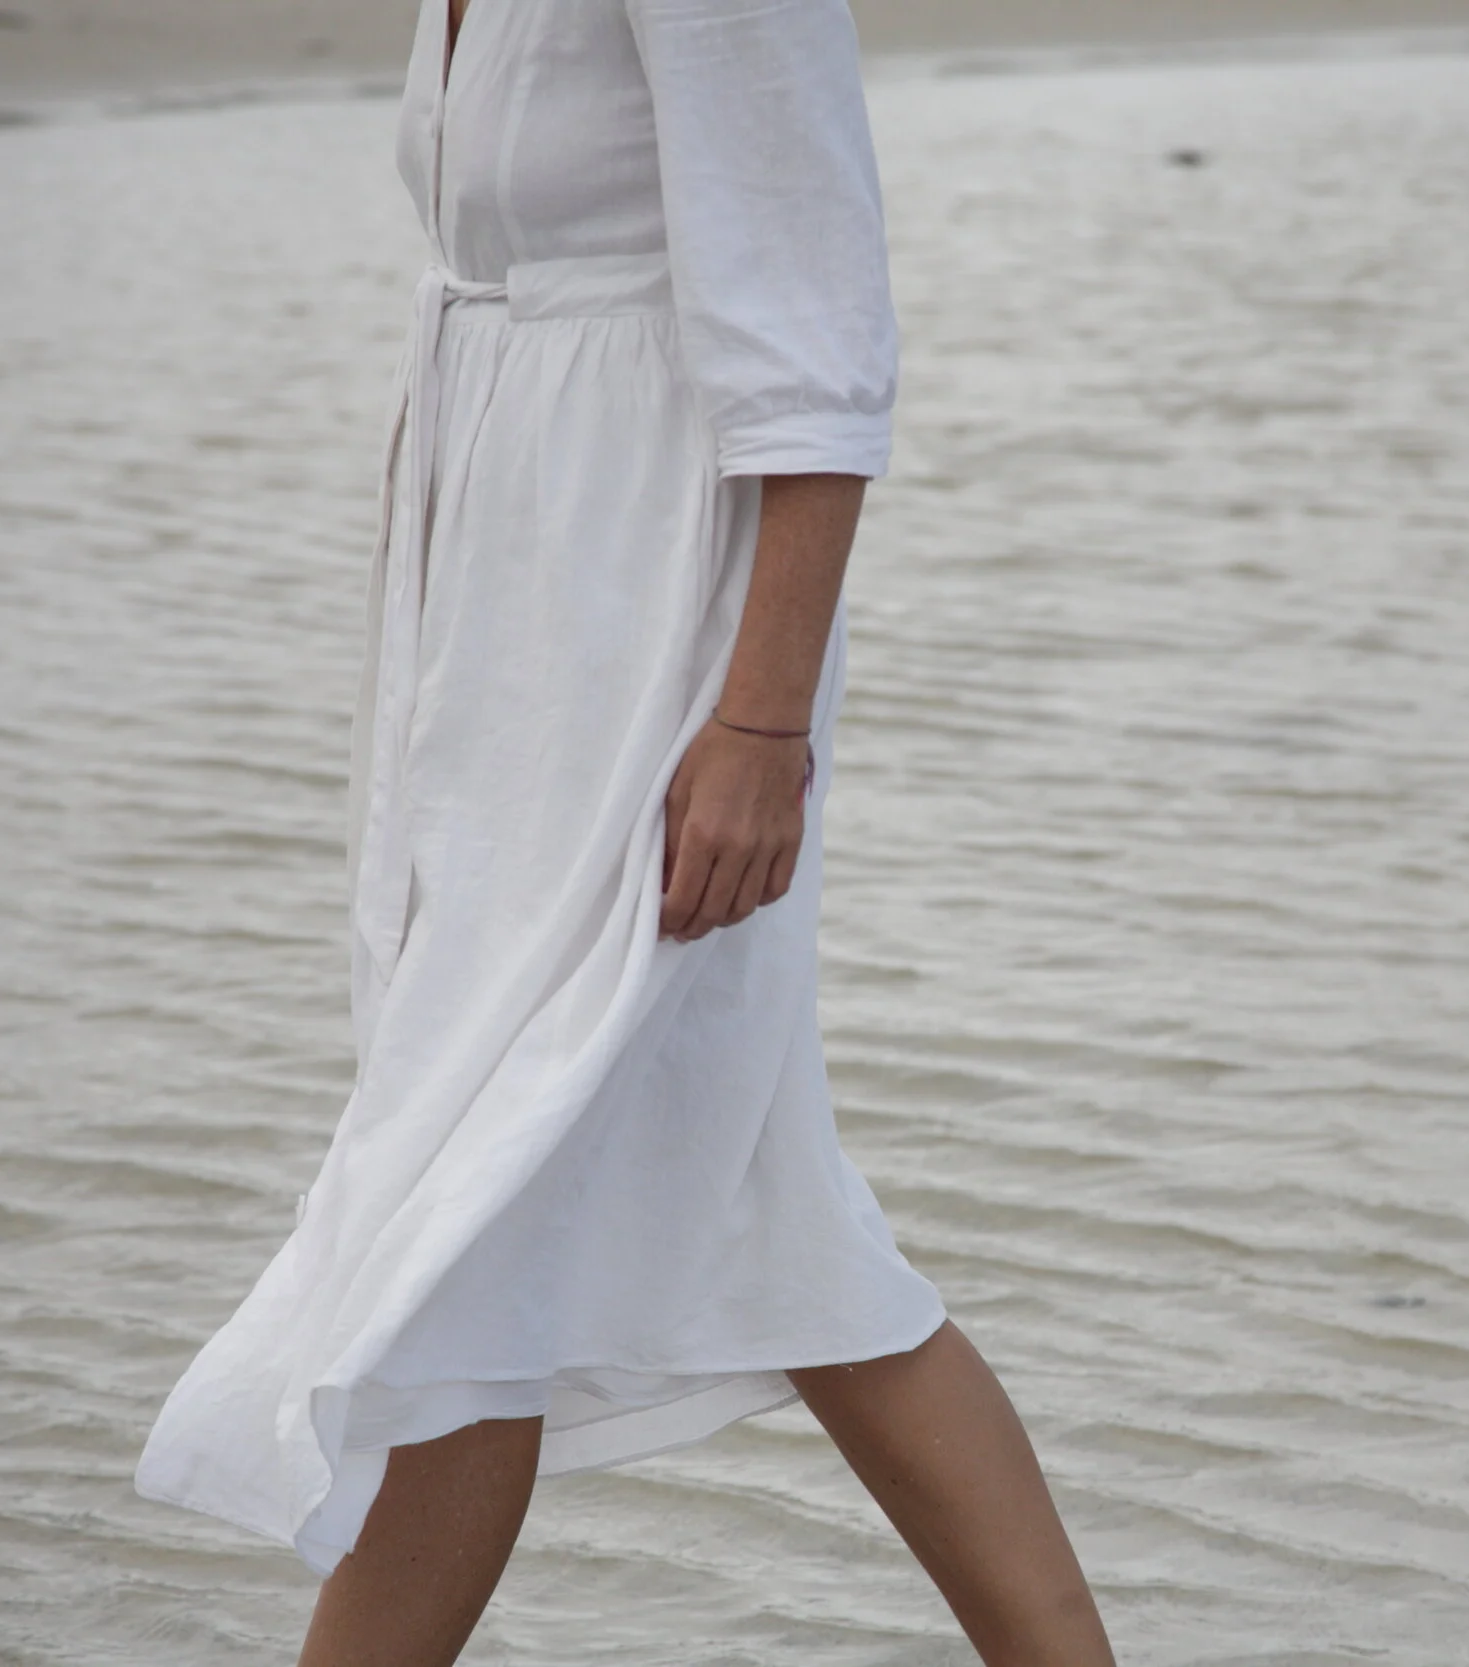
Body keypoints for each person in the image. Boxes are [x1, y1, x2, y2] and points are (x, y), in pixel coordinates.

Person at [133, 2, 1115, 1663]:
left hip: (657, 625)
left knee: (489, 1203)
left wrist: (760, 726)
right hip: (511, 631)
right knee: (676, 1213)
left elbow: (821, 334)